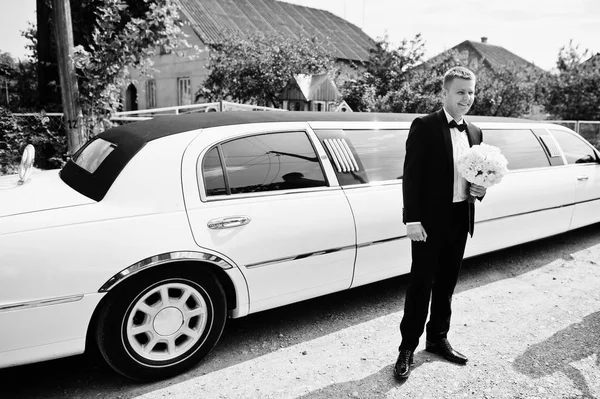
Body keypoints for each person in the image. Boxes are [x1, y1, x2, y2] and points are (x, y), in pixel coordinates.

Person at [393, 66, 487, 380]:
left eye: (471, 92)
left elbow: (474, 176)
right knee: (421, 285)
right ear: (444, 93)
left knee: (447, 285)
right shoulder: (424, 125)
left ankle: (437, 339)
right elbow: (412, 175)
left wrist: (480, 189)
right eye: (460, 92)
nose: (467, 98)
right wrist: (412, 219)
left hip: (461, 218)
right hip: (429, 223)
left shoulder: (475, 132)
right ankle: (407, 347)